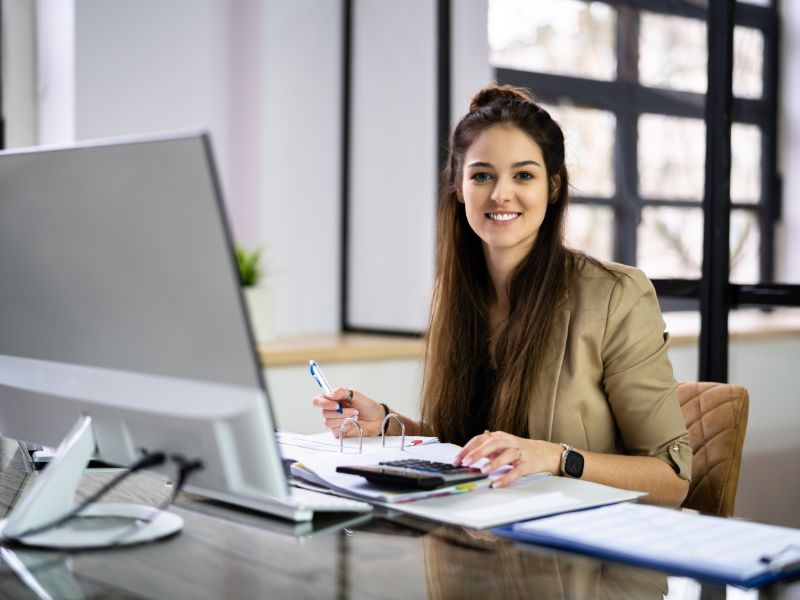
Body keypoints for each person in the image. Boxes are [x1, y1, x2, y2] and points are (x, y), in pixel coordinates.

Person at [312, 84, 692, 506]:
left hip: (580, 555)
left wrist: (554, 457)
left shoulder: (615, 296)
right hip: (475, 539)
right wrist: (387, 423)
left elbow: (672, 481)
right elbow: (464, 447)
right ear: (459, 187)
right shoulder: (453, 295)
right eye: (482, 175)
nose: (500, 194)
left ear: (552, 187)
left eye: (523, 175)